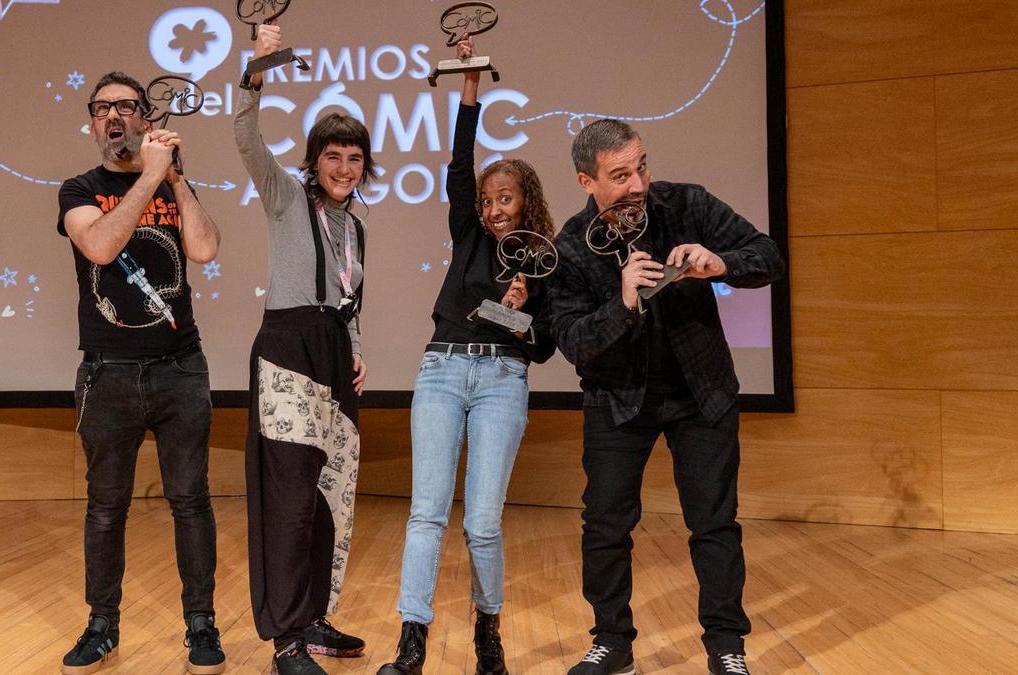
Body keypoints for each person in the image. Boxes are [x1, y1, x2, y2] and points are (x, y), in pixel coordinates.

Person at [548, 119, 784, 675]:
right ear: (587, 181)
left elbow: (768, 254)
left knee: (714, 524)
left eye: (642, 167)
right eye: (620, 175)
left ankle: (727, 649)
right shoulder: (570, 247)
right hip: (617, 399)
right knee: (605, 525)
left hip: (701, 393)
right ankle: (613, 645)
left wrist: (720, 264)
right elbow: (574, 342)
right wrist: (622, 301)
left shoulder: (687, 205)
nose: (637, 184)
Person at [375, 36, 557, 675]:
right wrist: (470, 92)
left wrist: (518, 307)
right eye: (487, 200)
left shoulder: (541, 263)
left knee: (481, 524)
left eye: (504, 198)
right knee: (426, 513)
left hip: (504, 380)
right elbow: (459, 164)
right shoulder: (468, 234)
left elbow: (543, 348)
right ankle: (412, 642)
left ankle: (488, 632)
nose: (493, 207)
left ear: (526, 201)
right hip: (443, 370)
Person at [56, 71, 224, 675]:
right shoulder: (78, 188)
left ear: (144, 117)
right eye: (103, 109)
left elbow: (204, 249)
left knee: (191, 501)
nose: (114, 117)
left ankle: (201, 625)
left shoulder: (172, 180)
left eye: (126, 106)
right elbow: (100, 247)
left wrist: (174, 177)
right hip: (108, 375)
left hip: (180, 369)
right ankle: (102, 625)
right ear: (93, 121)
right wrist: (149, 177)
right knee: (105, 507)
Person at [234, 23, 373, 675]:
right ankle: (286, 637)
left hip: (333, 356)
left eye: (354, 158)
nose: (343, 168)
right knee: (288, 499)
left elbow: (349, 300)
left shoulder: (358, 227)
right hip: (288, 350)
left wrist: (355, 348)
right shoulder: (287, 199)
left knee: (330, 494)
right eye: (333, 156)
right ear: (314, 160)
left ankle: (315, 616)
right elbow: (246, 138)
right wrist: (258, 69)